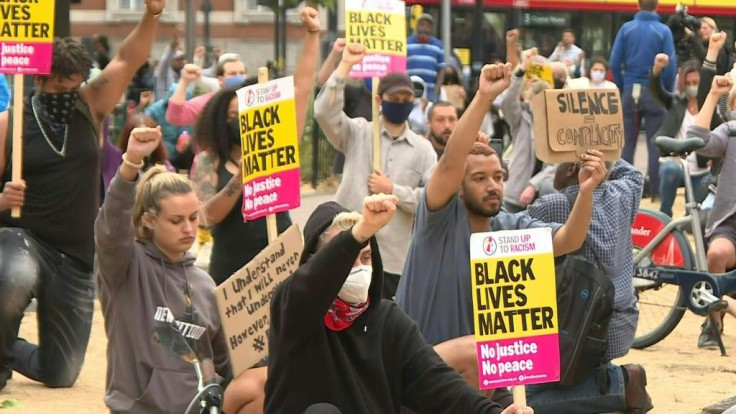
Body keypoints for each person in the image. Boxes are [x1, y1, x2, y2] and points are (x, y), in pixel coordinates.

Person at [0, 0, 167, 391]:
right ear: (39, 80)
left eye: (75, 84)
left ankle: (10, 350)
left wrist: (152, 14)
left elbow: (128, 59)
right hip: (21, 240)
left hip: (74, 255)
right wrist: (3, 199)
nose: (69, 93)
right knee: (12, 275)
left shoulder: (89, 105)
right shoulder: (10, 124)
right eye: (61, 86)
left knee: (61, 374)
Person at [395, 62, 608, 348]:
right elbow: (449, 163)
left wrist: (586, 191)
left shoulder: (509, 227)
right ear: (458, 187)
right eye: (479, 178)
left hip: (483, 382)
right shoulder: (438, 220)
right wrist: (483, 98)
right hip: (423, 374)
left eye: (497, 176)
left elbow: (569, 239)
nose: (493, 185)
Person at [265, 193, 534, 414]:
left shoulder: (387, 322)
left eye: (367, 257)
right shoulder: (292, 313)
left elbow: (436, 383)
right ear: (314, 261)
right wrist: (360, 232)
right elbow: (306, 289)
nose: (358, 268)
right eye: (349, 258)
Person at [95, 126, 231, 412]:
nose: (188, 228)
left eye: (194, 218)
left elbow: (224, 362)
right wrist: (131, 162)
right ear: (149, 221)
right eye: (176, 220)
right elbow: (110, 229)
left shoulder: (206, 285)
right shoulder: (125, 268)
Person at [190, 6, 321, 286]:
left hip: (280, 263)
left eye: (245, 117)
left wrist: (312, 34)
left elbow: (302, 89)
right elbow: (205, 216)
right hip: (233, 273)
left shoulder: (278, 146)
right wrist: (242, 176)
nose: (240, 123)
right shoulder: (208, 160)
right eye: (233, 118)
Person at [526, 160, 653, 414]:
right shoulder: (623, 194)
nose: (553, 173)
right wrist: (602, 152)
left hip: (576, 329)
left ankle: (621, 384)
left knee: (521, 400)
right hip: (620, 325)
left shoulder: (554, 205)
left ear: (572, 168)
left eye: (556, 165)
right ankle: (607, 380)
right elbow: (633, 174)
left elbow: (513, 225)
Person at [314, 44, 438, 299]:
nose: (401, 103)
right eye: (395, 99)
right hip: (348, 250)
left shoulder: (423, 149)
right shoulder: (358, 132)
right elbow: (323, 112)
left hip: (393, 262)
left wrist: (393, 191)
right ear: (379, 100)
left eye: (406, 100)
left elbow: (430, 200)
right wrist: (344, 66)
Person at [686, 74, 736, 349]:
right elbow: (697, 141)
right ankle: (713, 322)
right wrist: (714, 94)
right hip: (730, 222)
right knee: (717, 253)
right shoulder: (731, 130)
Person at [610, 0, 677, 201]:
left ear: (638, 5)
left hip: (630, 90)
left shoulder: (626, 29)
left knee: (627, 144)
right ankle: (656, 193)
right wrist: (662, 91)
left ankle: (624, 191)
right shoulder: (663, 31)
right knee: (655, 144)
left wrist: (624, 87)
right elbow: (671, 66)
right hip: (654, 93)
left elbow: (614, 62)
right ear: (657, 6)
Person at [650, 56, 715, 217]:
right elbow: (656, 90)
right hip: (675, 162)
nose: (692, 87)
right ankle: (665, 214)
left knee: (694, 218)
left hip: (700, 169)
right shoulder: (675, 102)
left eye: (696, 83)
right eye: (688, 83)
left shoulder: (710, 106)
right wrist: (657, 70)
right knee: (670, 171)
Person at [500, 48, 556, 212]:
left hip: (544, 197)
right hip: (516, 195)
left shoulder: (556, 121)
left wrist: (533, 186)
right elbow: (507, 102)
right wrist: (521, 69)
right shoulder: (521, 117)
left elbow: (556, 163)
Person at [407, 13, 445, 102]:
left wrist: (437, 88)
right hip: (410, 87)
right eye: (422, 24)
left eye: (428, 25)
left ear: (431, 28)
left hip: (430, 90)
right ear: (417, 26)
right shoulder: (407, 43)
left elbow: (442, 69)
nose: (424, 27)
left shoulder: (438, 46)